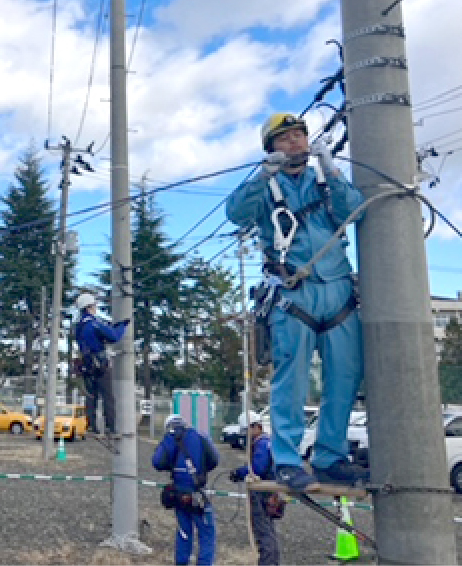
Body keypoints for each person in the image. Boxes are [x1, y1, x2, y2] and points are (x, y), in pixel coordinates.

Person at [227, 113, 368, 490]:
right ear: (271, 148)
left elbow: (356, 210)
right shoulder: (265, 187)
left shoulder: (324, 182)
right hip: (294, 293)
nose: (295, 142)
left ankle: (330, 456)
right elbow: (236, 213)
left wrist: (331, 169)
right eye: (285, 138)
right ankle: (287, 460)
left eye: (299, 136)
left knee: (345, 376)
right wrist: (263, 175)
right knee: (291, 380)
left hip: (338, 291)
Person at [152, 414, 219, 566]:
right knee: (207, 533)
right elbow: (214, 459)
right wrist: (201, 471)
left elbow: (157, 462)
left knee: (184, 531)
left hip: (179, 493)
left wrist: (172, 467)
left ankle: (181, 562)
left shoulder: (170, 438)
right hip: (197, 492)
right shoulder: (200, 436)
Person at [73, 292, 129, 436]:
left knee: (91, 397)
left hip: (86, 366)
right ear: (88, 307)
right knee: (108, 397)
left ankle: (91, 427)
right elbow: (114, 337)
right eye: (94, 305)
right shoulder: (94, 324)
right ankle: (111, 428)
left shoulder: (79, 326)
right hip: (100, 365)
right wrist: (122, 326)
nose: (96, 307)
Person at [230, 413, 280, 566]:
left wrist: (239, 473)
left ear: (257, 427)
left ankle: (267, 562)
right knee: (268, 531)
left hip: (262, 491)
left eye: (247, 431)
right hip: (270, 490)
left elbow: (258, 468)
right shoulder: (269, 442)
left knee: (263, 531)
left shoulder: (262, 444)